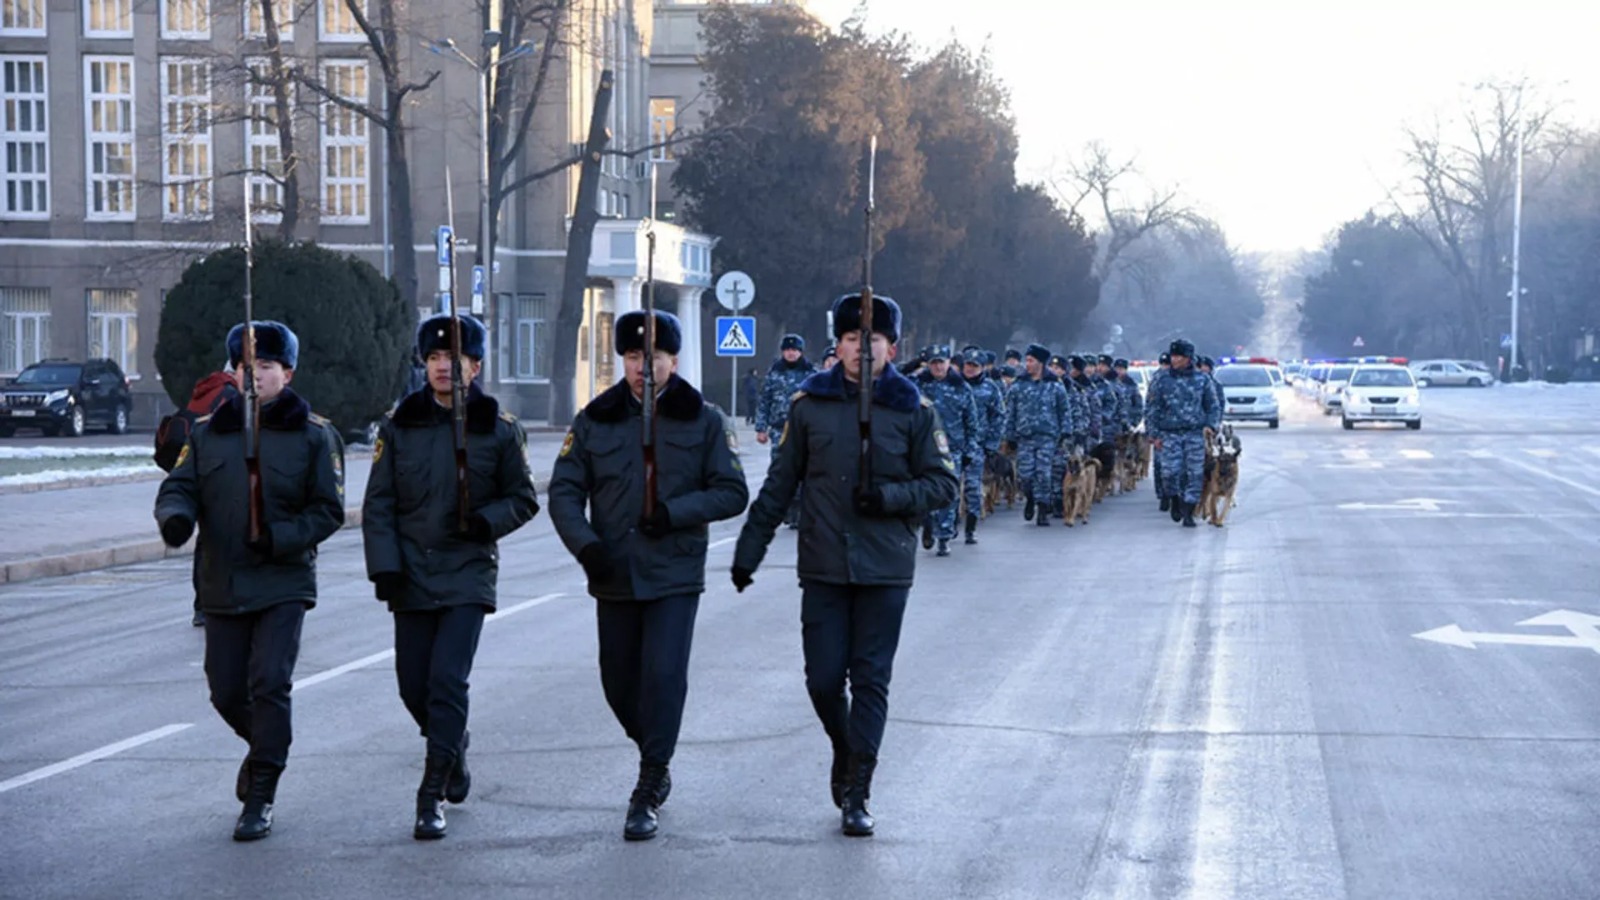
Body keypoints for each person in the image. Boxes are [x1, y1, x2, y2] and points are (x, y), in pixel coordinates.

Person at [731, 293, 958, 837]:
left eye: (872, 339)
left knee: (871, 679)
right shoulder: (810, 405)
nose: (863, 349)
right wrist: (750, 548)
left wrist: (888, 498)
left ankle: (858, 790)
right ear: (838, 346)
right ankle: (845, 747)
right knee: (824, 679)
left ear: (891, 348)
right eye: (853, 339)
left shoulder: (914, 410)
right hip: (825, 563)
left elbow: (943, 484)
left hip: (886, 565)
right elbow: (780, 482)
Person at [549, 309, 749, 841]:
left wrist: (675, 512)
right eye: (634, 356)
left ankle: (649, 781)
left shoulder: (704, 420)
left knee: (662, 674)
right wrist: (586, 547)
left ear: (673, 361)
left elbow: (732, 492)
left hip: (674, 571)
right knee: (618, 682)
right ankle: (654, 748)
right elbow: (564, 491)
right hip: (613, 570)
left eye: (654, 356)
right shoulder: (595, 419)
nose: (643, 367)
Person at [154, 320, 345, 842]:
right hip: (224, 581)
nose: (254, 375)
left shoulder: (314, 436)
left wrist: (280, 537)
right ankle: (264, 747)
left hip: (283, 581)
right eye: (246, 366)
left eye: (266, 365)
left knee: (270, 682)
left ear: (288, 373)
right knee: (226, 690)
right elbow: (180, 486)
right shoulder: (208, 432)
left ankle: (262, 792)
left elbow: (327, 510)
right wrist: (176, 517)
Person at [362, 314, 540, 840]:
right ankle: (453, 746)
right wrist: (385, 567)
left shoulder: (498, 428)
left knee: (446, 681)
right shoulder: (400, 426)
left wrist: (484, 522)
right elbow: (379, 503)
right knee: (412, 686)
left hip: (467, 572)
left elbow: (523, 498)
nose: (444, 367)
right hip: (412, 573)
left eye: (455, 358)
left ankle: (431, 790)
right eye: (436, 358)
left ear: (475, 366)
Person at [153, 365, 239, 627]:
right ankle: (210, 603)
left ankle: (201, 604)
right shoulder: (229, 393)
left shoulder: (207, 388)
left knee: (206, 539)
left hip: (196, 465)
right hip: (214, 468)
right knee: (216, 540)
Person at [1146, 339, 1220, 527]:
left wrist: (1211, 426)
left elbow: (1212, 406)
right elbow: (1153, 408)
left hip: (1194, 433)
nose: (1175, 359)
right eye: (1173, 356)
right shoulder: (1161, 380)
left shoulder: (1202, 380)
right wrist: (1153, 434)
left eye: (1179, 356)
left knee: (1194, 474)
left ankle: (1188, 511)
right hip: (1169, 434)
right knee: (1169, 473)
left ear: (1188, 358)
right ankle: (1174, 499)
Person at [913, 345, 978, 556]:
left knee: (949, 493)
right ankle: (928, 523)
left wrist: (970, 451)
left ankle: (944, 536)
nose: (938, 367)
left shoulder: (961, 388)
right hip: (924, 448)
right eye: (933, 363)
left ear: (949, 363)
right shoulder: (918, 385)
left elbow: (971, 422)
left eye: (941, 362)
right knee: (926, 490)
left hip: (952, 449)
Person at [1004, 345, 1072, 526]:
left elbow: (1064, 411)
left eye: (1031, 360)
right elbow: (1010, 412)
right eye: (1026, 360)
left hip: (1047, 437)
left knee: (1043, 474)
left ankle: (1042, 509)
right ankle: (1030, 498)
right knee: (1025, 475)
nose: (1027, 364)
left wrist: (1065, 432)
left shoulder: (1055, 385)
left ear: (1040, 363)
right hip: (1025, 437)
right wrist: (1009, 435)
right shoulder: (1018, 385)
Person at [755, 334, 816, 527]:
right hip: (779, 429)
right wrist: (761, 428)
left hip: (804, 428)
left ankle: (801, 509)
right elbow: (764, 401)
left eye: (795, 350)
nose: (791, 353)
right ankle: (786, 509)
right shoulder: (774, 374)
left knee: (803, 468)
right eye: (788, 350)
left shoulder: (811, 374)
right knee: (780, 468)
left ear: (801, 352)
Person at [961, 349, 1005, 543]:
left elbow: (998, 416)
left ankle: (971, 526)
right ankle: (945, 525)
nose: (970, 369)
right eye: (967, 365)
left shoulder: (990, 388)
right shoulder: (954, 384)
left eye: (975, 366)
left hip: (976, 445)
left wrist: (992, 444)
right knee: (949, 487)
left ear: (983, 368)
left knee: (973, 487)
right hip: (952, 444)